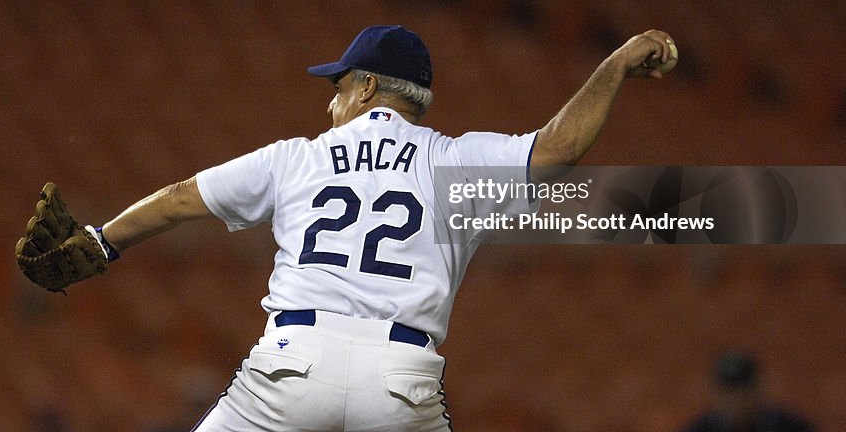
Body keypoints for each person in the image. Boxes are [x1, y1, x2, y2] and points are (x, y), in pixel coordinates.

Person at [93, 25, 677, 431]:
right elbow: (560, 148)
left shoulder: (296, 157)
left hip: (293, 362)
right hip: (401, 376)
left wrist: (103, 242)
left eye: (338, 85)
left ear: (366, 86)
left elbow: (176, 199)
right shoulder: (453, 163)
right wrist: (616, 63)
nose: (331, 103)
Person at [681, 351, 815, 432]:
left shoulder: (790, 427)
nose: (735, 399)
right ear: (714, 391)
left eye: (742, 390)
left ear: (758, 388)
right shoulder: (699, 429)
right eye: (728, 391)